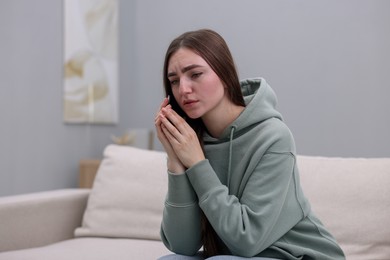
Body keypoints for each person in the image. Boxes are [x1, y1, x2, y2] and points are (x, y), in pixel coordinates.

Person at [155, 29, 345, 260]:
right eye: (174, 81)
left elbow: (246, 241)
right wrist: (175, 161)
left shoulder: (273, 137)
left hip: (298, 255)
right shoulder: (191, 141)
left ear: (225, 74)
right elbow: (182, 245)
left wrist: (197, 163)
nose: (183, 89)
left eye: (195, 74)